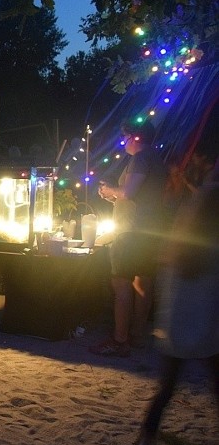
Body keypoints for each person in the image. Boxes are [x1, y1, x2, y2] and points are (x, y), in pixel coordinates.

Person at [130, 178, 219, 445]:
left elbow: (164, 292)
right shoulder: (213, 252)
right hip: (209, 331)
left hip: (176, 330)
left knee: (166, 390)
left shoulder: (175, 249)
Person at [93, 123, 167, 357]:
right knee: (142, 282)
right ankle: (137, 336)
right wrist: (115, 197)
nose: (123, 141)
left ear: (135, 137)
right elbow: (140, 197)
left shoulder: (140, 159)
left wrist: (110, 191)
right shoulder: (156, 159)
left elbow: (128, 193)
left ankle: (119, 339)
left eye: (125, 137)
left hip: (130, 231)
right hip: (150, 229)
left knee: (121, 282)